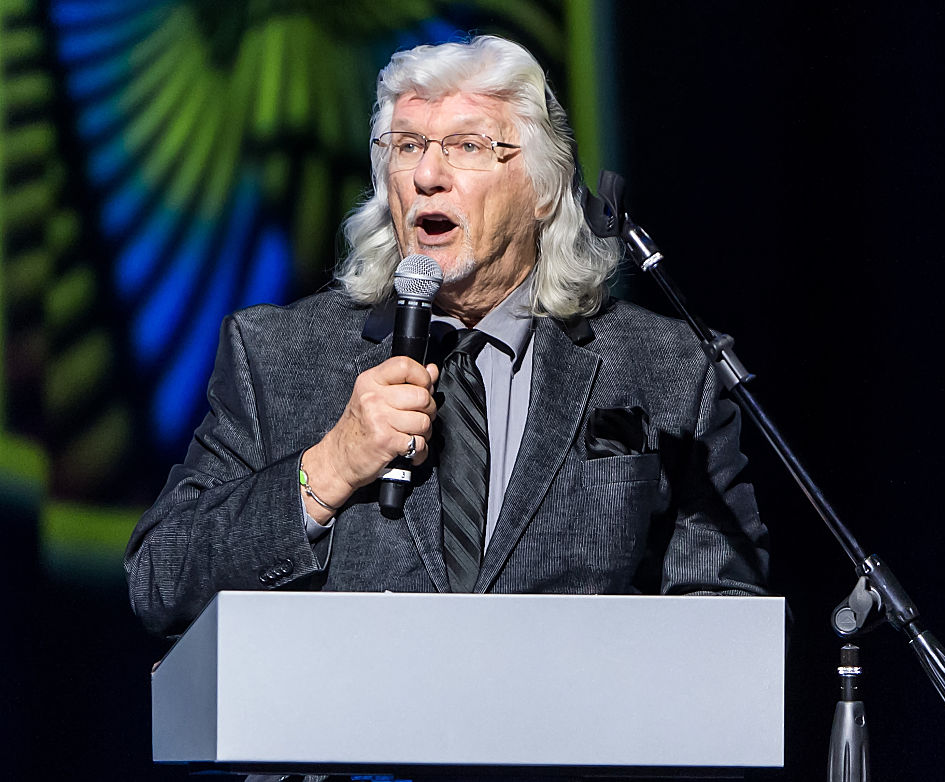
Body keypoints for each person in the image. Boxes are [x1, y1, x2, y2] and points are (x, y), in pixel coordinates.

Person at [125, 35, 769, 641]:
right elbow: (159, 579)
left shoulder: (666, 366)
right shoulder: (279, 353)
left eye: (467, 146)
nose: (427, 174)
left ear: (544, 191)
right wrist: (332, 465)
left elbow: (723, 615)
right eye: (407, 146)